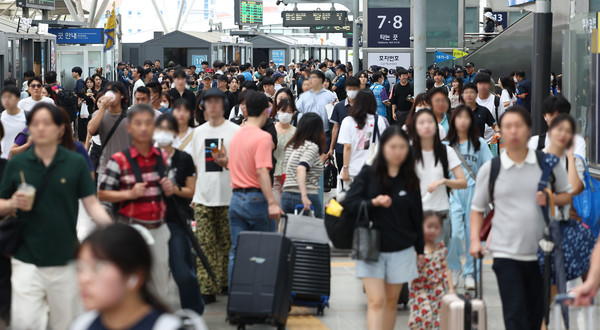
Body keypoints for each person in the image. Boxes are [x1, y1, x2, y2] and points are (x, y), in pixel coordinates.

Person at [0, 103, 111, 330]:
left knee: (66, 322)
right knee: (27, 322)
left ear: (60, 129)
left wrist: (115, 230)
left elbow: (92, 204)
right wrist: (12, 203)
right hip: (25, 258)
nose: (40, 129)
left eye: (46, 123)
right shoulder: (17, 164)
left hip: (65, 259)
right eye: (34, 124)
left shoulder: (76, 162)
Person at [469, 106, 572, 330]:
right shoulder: (492, 168)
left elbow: (567, 195)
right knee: (515, 316)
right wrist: (475, 241)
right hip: (506, 253)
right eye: (508, 126)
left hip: (543, 253)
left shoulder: (548, 163)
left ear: (528, 130)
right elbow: (477, 209)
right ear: (501, 132)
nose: (513, 131)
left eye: (518, 126)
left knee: (536, 317)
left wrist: (550, 197)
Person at [98, 103, 180, 310]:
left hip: (159, 229)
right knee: (130, 288)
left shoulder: (163, 158)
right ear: (129, 128)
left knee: (160, 289)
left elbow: (168, 191)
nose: (143, 128)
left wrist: (170, 187)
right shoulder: (119, 160)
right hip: (131, 230)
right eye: (138, 124)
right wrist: (129, 193)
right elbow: (102, 193)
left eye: (148, 124)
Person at [343, 126, 424, 330]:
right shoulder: (369, 173)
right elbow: (349, 203)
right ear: (383, 148)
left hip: (402, 248)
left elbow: (417, 215)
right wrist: (374, 203)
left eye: (402, 147)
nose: (397, 151)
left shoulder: (410, 178)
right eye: (392, 147)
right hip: (371, 248)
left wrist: (420, 249)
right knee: (376, 301)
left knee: (390, 302)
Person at [71, 224, 206, 330]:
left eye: (98, 267)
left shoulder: (168, 327)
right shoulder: (82, 325)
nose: (84, 279)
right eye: (80, 268)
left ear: (135, 276)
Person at [227, 90, 282, 285]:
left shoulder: (236, 134)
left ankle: (237, 298)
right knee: (264, 250)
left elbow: (231, 164)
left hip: (235, 200)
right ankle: (260, 296)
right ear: (267, 111)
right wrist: (272, 202)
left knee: (237, 250)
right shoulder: (263, 138)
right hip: (257, 200)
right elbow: (261, 172)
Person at [190, 88, 239, 303]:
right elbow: (194, 166)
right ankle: (206, 287)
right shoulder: (198, 132)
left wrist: (227, 163)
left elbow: (242, 165)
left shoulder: (235, 131)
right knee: (204, 244)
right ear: (202, 106)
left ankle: (225, 282)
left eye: (217, 101)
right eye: (208, 102)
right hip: (202, 197)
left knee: (226, 244)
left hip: (229, 195)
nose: (212, 106)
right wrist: (192, 193)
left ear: (224, 104)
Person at [153, 114, 204, 314]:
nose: (164, 134)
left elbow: (190, 191)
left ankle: (193, 312)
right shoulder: (148, 157)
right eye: (160, 129)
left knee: (183, 272)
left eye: (168, 129)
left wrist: (174, 190)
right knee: (153, 276)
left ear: (175, 133)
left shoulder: (184, 159)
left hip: (176, 220)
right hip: (151, 222)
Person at [445, 105, 493, 289]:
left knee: (473, 235)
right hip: (454, 193)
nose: (463, 121)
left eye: (467, 118)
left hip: (475, 193)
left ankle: (470, 273)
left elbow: (489, 166)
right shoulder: (447, 144)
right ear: (453, 120)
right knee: (455, 234)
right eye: (459, 117)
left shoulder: (479, 143)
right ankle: (455, 267)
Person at [410, 109, 467, 246]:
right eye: (421, 122)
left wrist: (443, 181)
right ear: (415, 127)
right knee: (417, 262)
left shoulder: (446, 151)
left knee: (439, 262)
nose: (427, 126)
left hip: (441, 213)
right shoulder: (408, 152)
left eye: (430, 122)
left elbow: (463, 182)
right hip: (415, 213)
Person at [408, 211, 454, 329]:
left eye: (436, 227)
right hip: (420, 288)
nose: (433, 230)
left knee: (438, 319)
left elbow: (446, 270)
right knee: (424, 317)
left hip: (438, 290)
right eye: (429, 227)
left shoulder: (441, 248)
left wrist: (451, 289)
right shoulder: (416, 249)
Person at [338, 89, 388, 184]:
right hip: (373, 169)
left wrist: (345, 168)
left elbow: (347, 147)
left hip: (352, 170)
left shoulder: (348, 121)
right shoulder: (379, 120)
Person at [281, 113, 325, 218]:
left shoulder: (291, 146)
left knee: (290, 232)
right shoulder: (311, 147)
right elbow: (301, 169)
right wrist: (304, 196)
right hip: (306, 195)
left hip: (286, 195)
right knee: (314, 231)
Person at [88, 82, 132, 178]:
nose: (110, 94)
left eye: (115, 92)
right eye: (108, 91)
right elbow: (91, 130)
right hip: (105, 168)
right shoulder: (99, 114)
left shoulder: (130, 117)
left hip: (126, 168)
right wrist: (103, 109)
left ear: (122, 96)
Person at [328, 77, 360, 177]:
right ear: (346, 89)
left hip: (359, 148)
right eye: (350, 88)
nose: (352, 91)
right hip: (341, 148)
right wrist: (331, 148)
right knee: (343, 176)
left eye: (355, 89)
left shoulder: (363, 106)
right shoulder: (339, 106)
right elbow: (335, 128)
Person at [296, 70, 337, 135]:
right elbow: (297, 111)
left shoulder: (330, 95)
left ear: (321, 80)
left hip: (325, 132)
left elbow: (335, 113)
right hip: (308, 132)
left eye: (313, 77)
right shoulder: (304, 96)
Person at [273, 99, 297, 203]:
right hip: (275, 172)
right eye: (283, 111)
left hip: (291, 174)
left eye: (289, 112)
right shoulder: (272, 130)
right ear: (277, 111)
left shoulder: (296, 132)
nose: (286, 114)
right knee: (277, 202)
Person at [475, 72, 504, 141]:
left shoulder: (496, 101)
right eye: (480, 83)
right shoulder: (472, 100)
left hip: (493, 140)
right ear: (476, 85)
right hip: (475, 141)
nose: (483, 86)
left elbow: (503, 121)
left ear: (490, 85)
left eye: (485, 83)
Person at [0, 86, 26, 159]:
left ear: (18, 99)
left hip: (22, 160)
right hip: (4, 159)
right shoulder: (1, 117)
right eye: (4, 97)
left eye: (9, 97)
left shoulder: (27, 116)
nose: (6, 100)